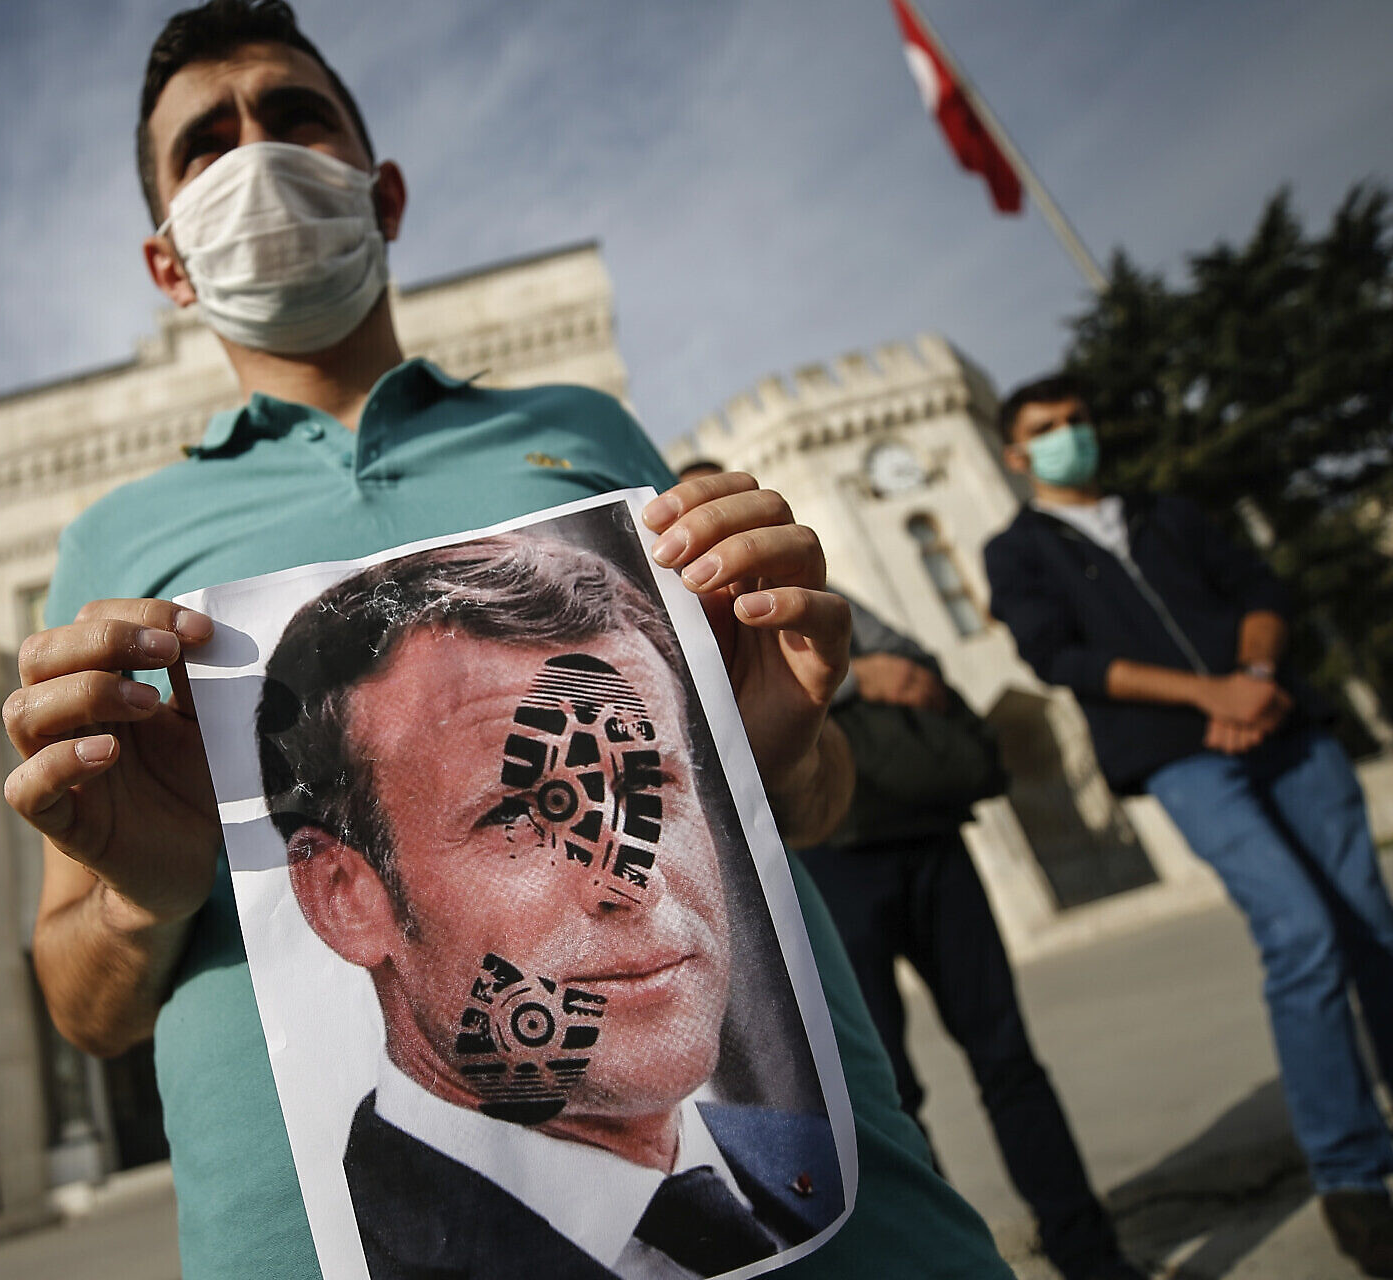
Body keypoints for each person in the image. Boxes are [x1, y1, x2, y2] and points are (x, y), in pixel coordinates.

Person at [5, 2, 1011, 1276]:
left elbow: (799, 806)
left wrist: (774, 741)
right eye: (205, 141)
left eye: (293, 113)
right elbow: (80, 1004)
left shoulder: (580, 429)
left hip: (838, 1215)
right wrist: (143, 893)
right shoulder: (113, 547)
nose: (255, 152)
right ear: (167, 263)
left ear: (383, 191)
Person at [262, 533, 844, 1278]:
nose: (632, 878)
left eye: (650, 788)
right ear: (345, 899)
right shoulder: (344, 1253)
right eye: (521, 816)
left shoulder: (806, 1160)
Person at [984, 373, 1393, 1278]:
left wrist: (1251, 674)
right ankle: (1353, 1173)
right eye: (1046, 430)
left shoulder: (1165, 512)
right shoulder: (1019, 551)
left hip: (1284, 723)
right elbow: (1062, 657)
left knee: (1372, 924)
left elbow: (1259, 589)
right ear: (1014, 455)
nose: (1068, 438)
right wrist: (1207, 695)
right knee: (1301, 931)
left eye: (1077, 421)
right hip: (1182, 752)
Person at [792, 600, 1142, 1280]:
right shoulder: (692, 589)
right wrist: (859, 679)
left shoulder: (816, 584)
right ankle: (946, 1266)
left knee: (1007, 1055)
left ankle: (1091, 1256)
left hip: (927, 833)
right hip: (829, 855)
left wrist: (880, 669)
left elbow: (916, 664)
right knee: (887, 1089)